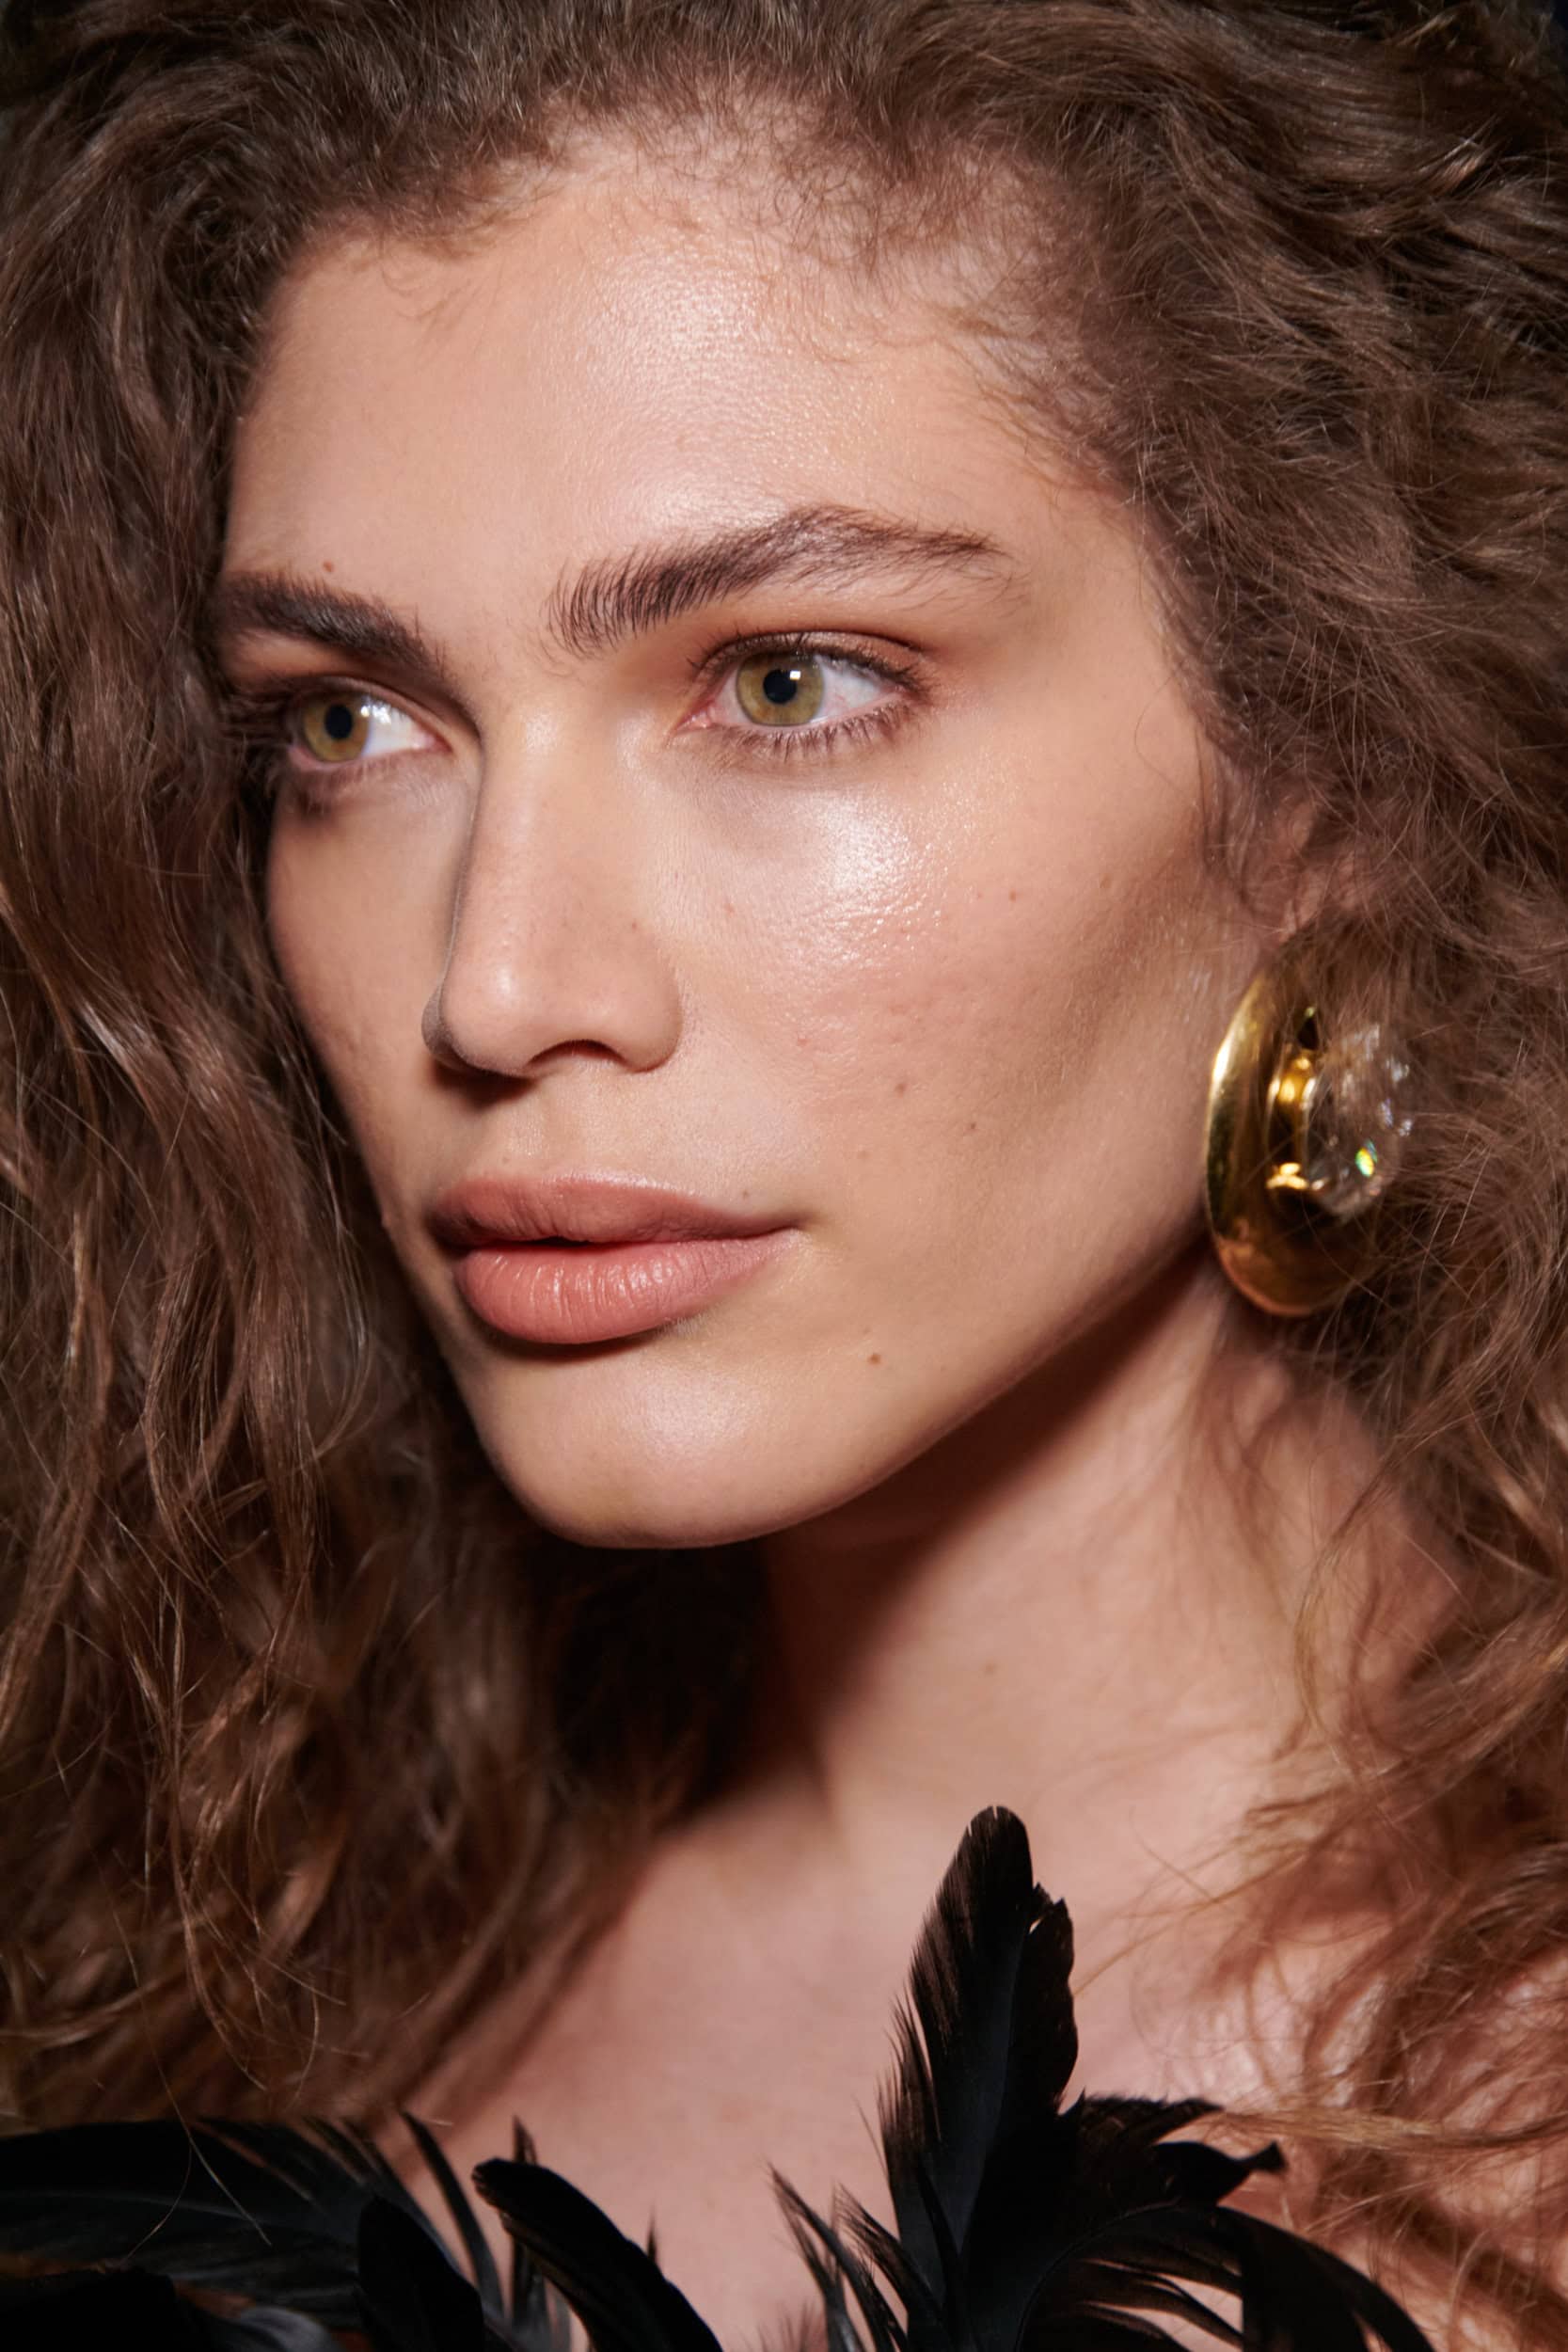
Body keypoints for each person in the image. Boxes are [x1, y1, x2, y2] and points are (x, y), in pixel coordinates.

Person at [0, 0, 1566, 2343]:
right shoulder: (193, 1985)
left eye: (785, 682)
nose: (497, 986)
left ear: (1335, 758)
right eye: (351, 721)